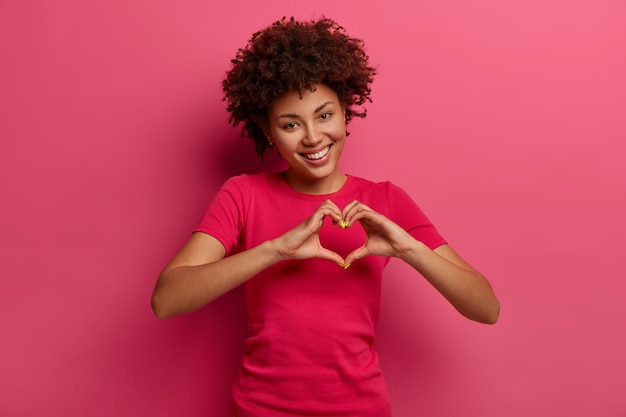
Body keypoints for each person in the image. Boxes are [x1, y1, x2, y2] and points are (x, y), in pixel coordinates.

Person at [151, 16, 500, 417]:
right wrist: (275, 250)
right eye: (290, 124)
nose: (313, 137)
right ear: (268, 132)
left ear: (345, 114)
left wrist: (409, 248)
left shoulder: (384, 199)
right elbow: (167, 299)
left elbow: (486, 309)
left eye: (324, 115)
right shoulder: (243, 195)